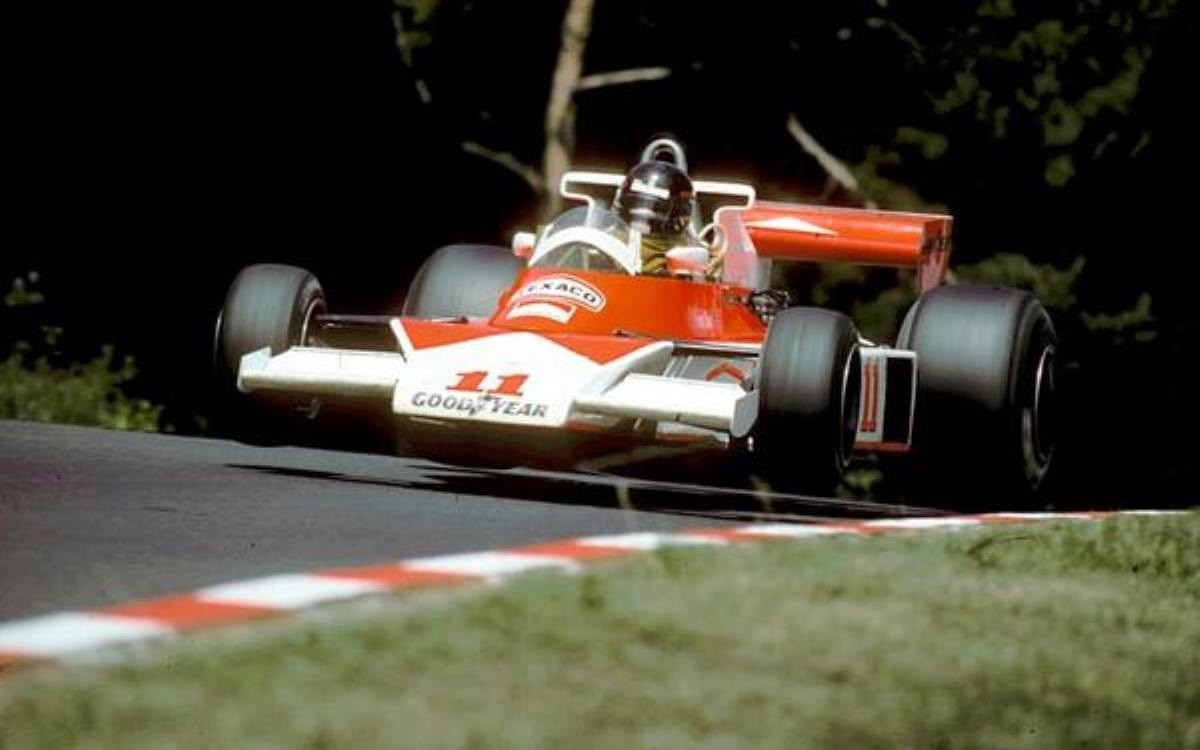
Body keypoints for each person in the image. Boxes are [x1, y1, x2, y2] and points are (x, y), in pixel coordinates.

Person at [612, 160, 699, 275]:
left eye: (657, 210)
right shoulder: (603, 241)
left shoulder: (688, 253)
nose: (643, 217)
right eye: (635, 204)